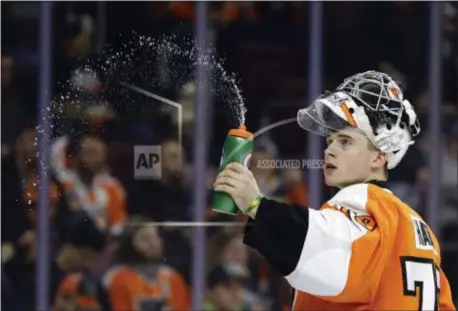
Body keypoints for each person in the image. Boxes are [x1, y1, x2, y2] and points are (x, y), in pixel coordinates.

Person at [213, 71, 456, 310]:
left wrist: (256, 204)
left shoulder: (363, 202)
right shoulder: (419, 228)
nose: (330, 150)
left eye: (346, 142)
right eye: (330, 142)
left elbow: (330, 257)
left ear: (378, 157)